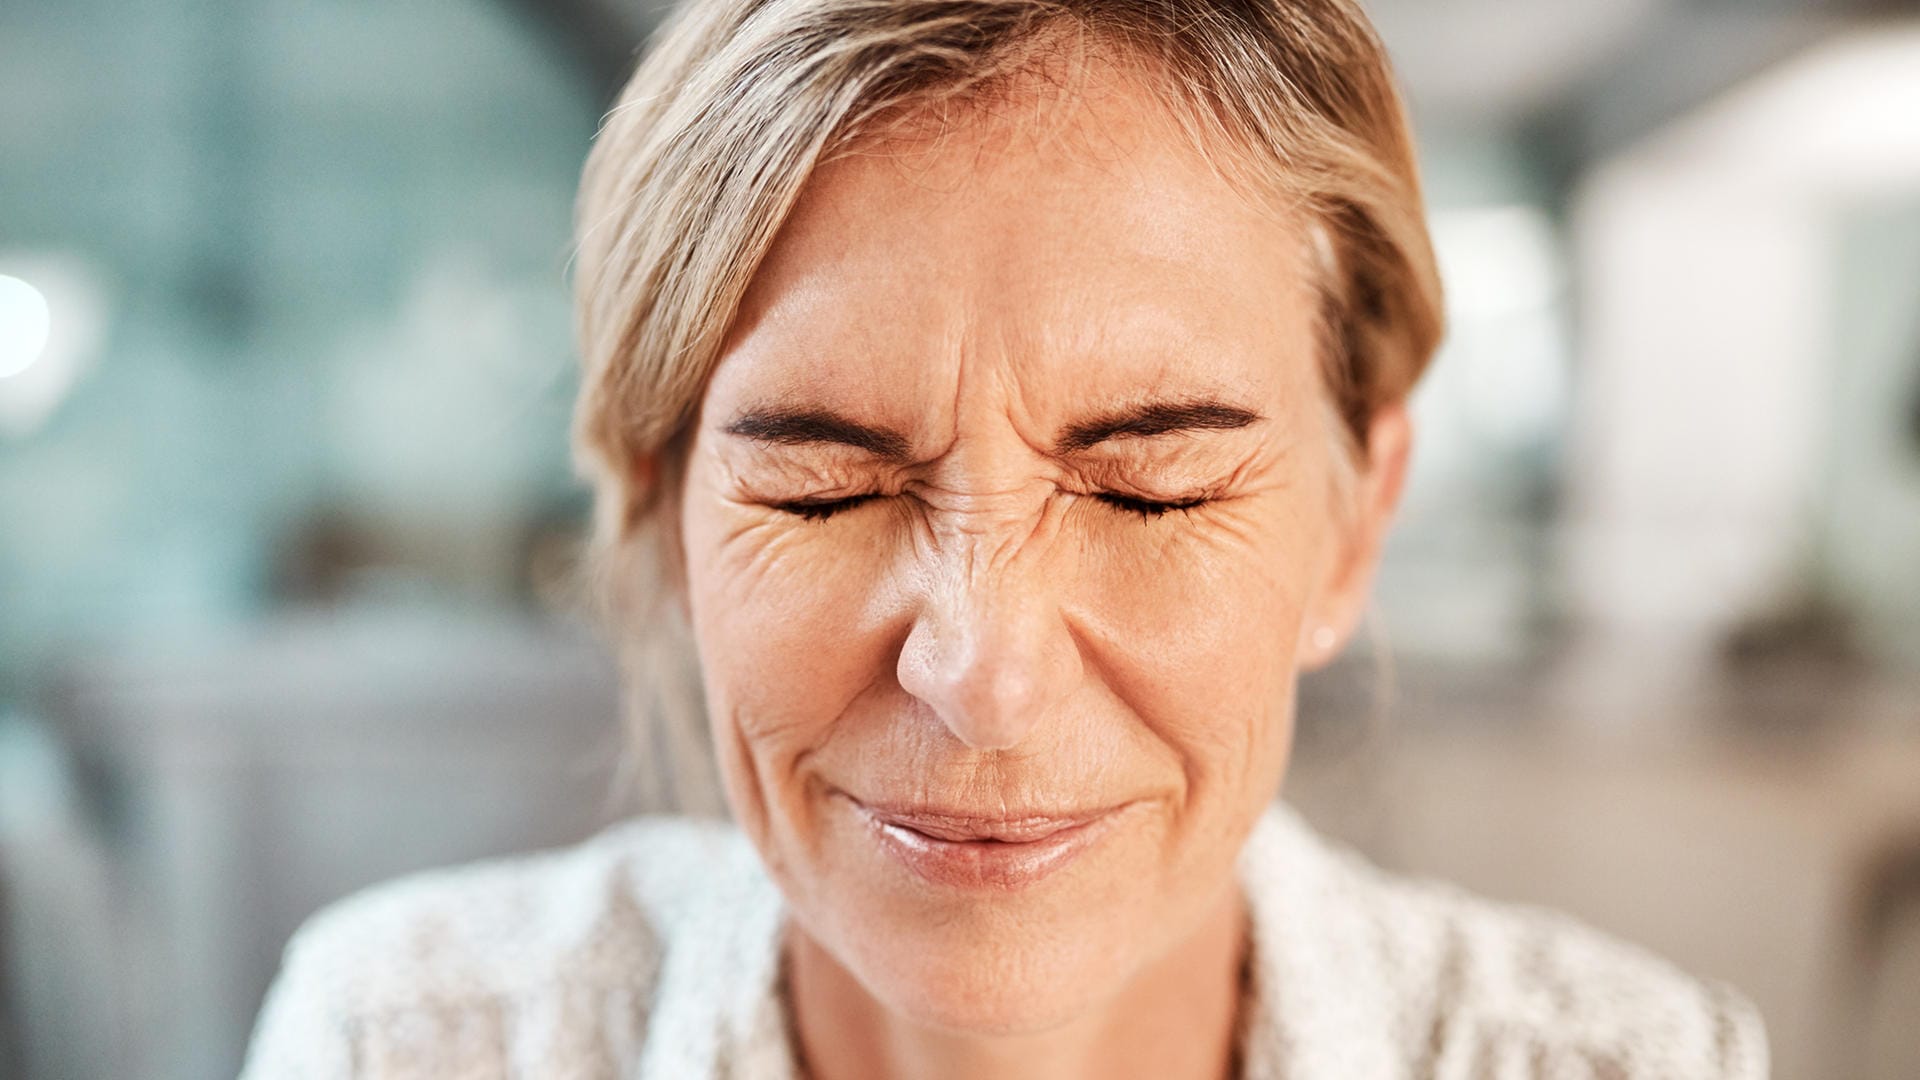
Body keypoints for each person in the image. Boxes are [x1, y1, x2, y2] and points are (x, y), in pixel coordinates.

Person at [240, 1, 1768, 1077]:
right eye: (823, 491)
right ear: (661, 519)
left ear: (1354, 524)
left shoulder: (1624, 1065)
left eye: (1149, 489)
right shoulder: (415, 1042)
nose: (985, 671)